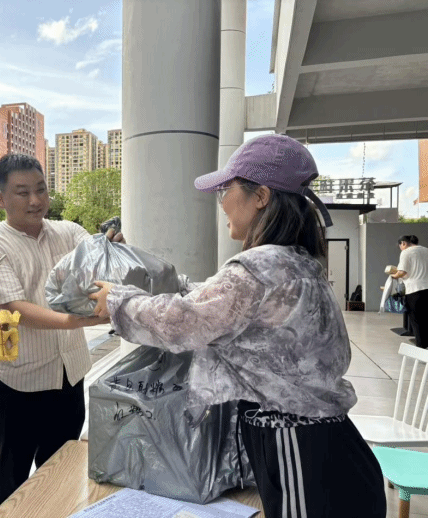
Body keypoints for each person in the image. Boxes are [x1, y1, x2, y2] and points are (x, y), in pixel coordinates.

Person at [90, 134, 386, 518]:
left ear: (260, 196)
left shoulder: (260, 266)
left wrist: (118, 301)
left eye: (225, 191)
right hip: (325, 449)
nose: (222, 203)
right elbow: (210, 302)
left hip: (301, 454)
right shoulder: (294, 261)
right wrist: (140, 277)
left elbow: (183, 321)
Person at [0, 153, 122, 510]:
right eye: (22, 192)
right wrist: (76, 322)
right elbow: (14, 309)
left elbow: (98, 260)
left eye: (41, 189)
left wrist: (112, 247)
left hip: (69, 376)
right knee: (12, 484)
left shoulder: (68, 231)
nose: (35, 200)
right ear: (1, 198)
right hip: (18, 384)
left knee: (61, 478)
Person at [391, 235, 428, 348]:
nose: (401, 249)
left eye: (400, 246)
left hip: (415, 290)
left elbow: (402, 272)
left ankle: (421, 348)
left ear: (403, 243)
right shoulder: (426, 250)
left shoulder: (406, 252)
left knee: (417, 321)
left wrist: (393, 276)